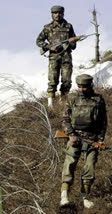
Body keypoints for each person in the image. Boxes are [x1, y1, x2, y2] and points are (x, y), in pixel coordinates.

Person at [60, 74, 107, 208]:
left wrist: (100, 140)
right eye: (80, 86)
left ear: (90, 86)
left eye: (84, 87)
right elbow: (65, 119)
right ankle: (64, 196)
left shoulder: (98, 100)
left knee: (90, 168)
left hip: (92, 140)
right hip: (75, 138)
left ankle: (84, 197)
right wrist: (71, 134)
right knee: (69, 165)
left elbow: (103, 122)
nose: (82, 89)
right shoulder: (72, 98)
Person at [36, 5, 78, 107]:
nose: (57, 15)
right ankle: (51, 105)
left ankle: (63, 104)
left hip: (66, 57)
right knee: (53, 80)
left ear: (63, 14)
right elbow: (39, 41)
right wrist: (49, 47)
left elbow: (73, 46)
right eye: (55, 13)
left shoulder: (68, 26)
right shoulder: (47, 28)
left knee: (66, 81)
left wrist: (72, 41)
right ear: (52, 14)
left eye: (59, 13)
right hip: (54, 58)